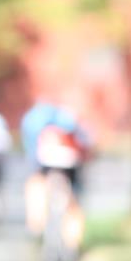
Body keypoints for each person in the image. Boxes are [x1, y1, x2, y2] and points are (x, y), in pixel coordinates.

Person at [20, 100, 91, 237]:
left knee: (36, 185)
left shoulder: (35, 121)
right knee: (74, 201)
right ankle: (73, 239)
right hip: (71, 162)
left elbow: (31, 148)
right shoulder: (68, 120)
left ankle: (36, 223)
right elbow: (85, 144)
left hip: (44, 161)